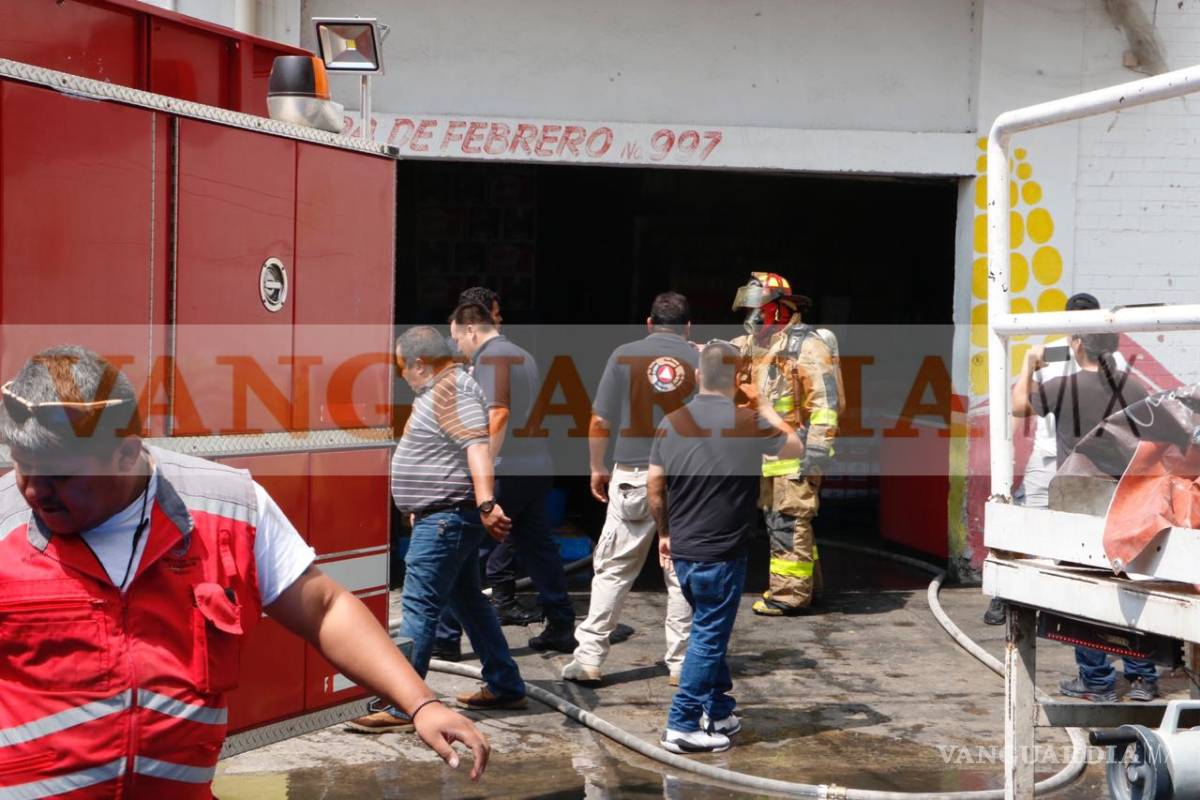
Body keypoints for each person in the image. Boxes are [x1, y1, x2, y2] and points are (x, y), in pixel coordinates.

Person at [0, 346, 489, 796]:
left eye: (60, 477)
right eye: (24, 468)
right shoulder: (5, 525)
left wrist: (421, 703)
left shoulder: (226, 507)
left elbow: (324, 607)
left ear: (127, 453)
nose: (34, 491)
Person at [347, 326, 527, 733]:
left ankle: (401, 705)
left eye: (400, 367)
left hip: (446, 519)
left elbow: (477, 446)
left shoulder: (452, 390)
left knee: (418, 608)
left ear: (418, 364)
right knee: (470, 604)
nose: (401, 376)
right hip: (441, 516)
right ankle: (505, 683)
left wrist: (485, 503)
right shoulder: (443, 389)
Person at [649, 341, 804, 753]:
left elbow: (655, 486)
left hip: (682, 550)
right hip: (721, 554)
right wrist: (765, 403)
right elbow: (796, 447)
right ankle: (682, 723)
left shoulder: (670, 421)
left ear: (698, 375)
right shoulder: (748, 420)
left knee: (705, 630)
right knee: (708, 638)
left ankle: (718, 710)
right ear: (738, 380)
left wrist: (664, 534)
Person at [561, 292, 698, 686]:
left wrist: (596, 466)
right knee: (679, 572)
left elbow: (600, 420)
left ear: (649, 323)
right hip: (685, 480)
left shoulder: (624, 355)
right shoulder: (700, 361)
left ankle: (588, 659)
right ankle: (681, 664)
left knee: (613, 569)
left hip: (634, 474)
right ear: (688, 326)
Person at [1013, 331, 1157, 703]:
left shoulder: (1064, 386)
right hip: (1126, 500)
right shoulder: (1135, 388)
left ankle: (1097, 680)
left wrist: (1029, 364)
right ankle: (1143, 678)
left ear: (1077, 344)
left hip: (1079, 499)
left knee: (1085, 588)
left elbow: (1018, 407)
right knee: (1129, 584)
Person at [983, 291, 1126, 625]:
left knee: (1070, 534)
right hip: (1057, 459)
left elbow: (1022, 400)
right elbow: (1023, 403)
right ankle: (1006, 597)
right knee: (1028, 526)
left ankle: (1055, 605)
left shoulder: (1092, 356)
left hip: (1079, 462)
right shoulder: (1060, 352)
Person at [447, 301, 576, 652]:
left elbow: (498, 414)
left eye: (457, 337)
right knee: (539, 549)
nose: (458, 345)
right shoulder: (522, 354)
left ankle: (444, 637)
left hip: (507, 469)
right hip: (535, 468)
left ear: (471, 328)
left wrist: (481, 467)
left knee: (458, 547)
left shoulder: (491, 357)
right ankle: (561, 624)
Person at [731, 272, 842, 617]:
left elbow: (826, 403)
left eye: (758, 310)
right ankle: (811, 588)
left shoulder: (807, 344)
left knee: (788, 521)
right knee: (788, 520)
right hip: (772, 451)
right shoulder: (761, 342)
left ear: (779, 309)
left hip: (798, 450)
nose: (752, 318)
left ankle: (789, 595)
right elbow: (732, 351)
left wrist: (817, 452)